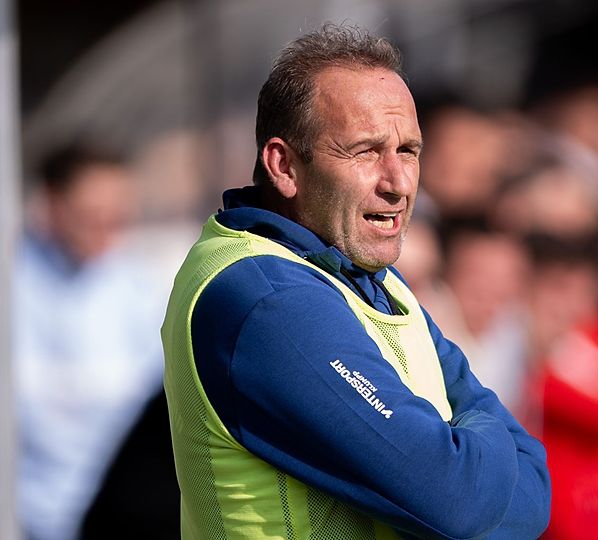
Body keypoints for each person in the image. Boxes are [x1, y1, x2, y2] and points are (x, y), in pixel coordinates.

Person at [160, 23, 551, 539]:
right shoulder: (268, 300)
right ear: (284, 165)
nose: (398, 183)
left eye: (408, 151)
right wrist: (483, 451)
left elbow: (536, 491)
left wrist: (474, 464)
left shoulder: (372, 279)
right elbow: (461, 503)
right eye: (365, 151)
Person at [0, 143, 165, 540]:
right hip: (2, 520)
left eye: (119, 217)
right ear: (51, 205)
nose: (107, 229)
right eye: (91, 215)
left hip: (109, 518)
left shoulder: (140, 292)